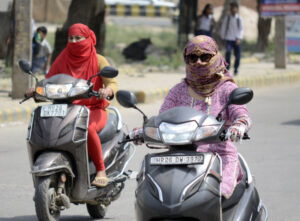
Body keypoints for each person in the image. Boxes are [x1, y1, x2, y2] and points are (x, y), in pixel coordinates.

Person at [131, 35, 252, 199]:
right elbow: (162, 120)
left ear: (215, 57)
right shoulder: (178, 91)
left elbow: (241, 114)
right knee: (152, 193)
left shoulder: (227, 89)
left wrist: (239, 126)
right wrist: (144, 131)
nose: (198, 62)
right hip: (178, 158)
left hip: (219, 157)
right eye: (193, 57)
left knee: (218, 195)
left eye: (205, 56)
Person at [26, 23, 118, 187]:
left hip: (93, 109)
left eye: (78, 38)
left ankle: (100, 170)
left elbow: (112, 82)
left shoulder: (98, 60)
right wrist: (36, 89)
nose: (74, 42)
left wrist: (108, 90)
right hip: (67, 109)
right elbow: (49, 79)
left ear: (87, 39)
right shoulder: (63, 58)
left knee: (87, 128)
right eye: (71, 38)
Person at [221, 2, 243, 75]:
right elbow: (223, 28)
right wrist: (223, 38)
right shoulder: (227, 18)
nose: (233, 9)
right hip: (229, 38)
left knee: (238, 55)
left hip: (237, 39)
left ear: (237, 9)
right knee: (228, 52)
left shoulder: (239, 19)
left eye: (234, 8)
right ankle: (227, 68)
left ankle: (236, 69)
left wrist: (239, 38)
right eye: (231, 8)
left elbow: (241, 30)